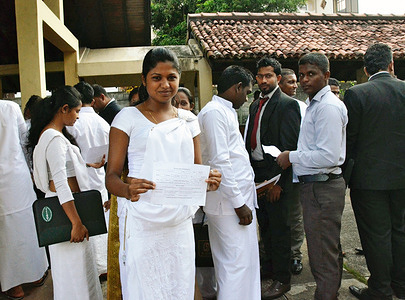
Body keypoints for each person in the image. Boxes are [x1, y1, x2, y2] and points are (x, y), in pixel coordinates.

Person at [105, 47, 221, 300]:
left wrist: (208, 181)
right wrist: (126, 190)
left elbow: (196, 171)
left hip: (178, 221)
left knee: (178, 282)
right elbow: (111, 176)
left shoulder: (189, 120)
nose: (165, 84)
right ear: (144, 80)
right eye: (156, 77)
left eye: (171, 77)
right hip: (141, 218)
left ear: (179, 78)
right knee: (145, 284)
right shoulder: (127, 118)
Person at [277, 52, 348, 300]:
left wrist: (291, 157)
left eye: (312, 74)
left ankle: (326, 295)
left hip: (322, 187)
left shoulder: (327, 107)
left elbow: (328, 156)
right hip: (315, 187)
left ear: (326, 76)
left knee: (321, 251)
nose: (305, 80)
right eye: (302, 75)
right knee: (323, 248)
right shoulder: (315, 105)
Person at [30, 86, 103, 300]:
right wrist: (76, 223)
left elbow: (62, 169)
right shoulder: (54, 139)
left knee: (72, 272)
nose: (78, 116)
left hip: (65, 206)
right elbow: (60, 183)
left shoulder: (50, 135)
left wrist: (88, 165)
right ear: (64, 109)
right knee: (76, 274)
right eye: (77, 111)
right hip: (67, 209)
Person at [344, 43, 405, 300]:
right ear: (391, 64)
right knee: (401, 231)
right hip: (402, 177)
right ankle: (401, 286)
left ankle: (380, 289)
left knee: (376, 235)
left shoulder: (357, 94)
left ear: (366, 69)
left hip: (369, 180)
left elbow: (350, 140)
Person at [198, 65, 260, 300]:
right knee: (234, 266)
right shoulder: (214, 112)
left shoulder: (225, 111)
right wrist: (238, 203)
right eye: (247, 92)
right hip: (228, 205)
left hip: (236, 200)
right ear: (237, 87)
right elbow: (219, 161)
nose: (247, 98)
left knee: (244, 263)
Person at [245, 57, 301, 299]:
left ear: (278, 78)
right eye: (260, 76)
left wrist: (279, 182)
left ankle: (283, 279)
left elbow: (291, 147)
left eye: (268, 76)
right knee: (265, 225)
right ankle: (269, 268)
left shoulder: (288, 105)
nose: (263, 80)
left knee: (280, 229)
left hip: (277, 175)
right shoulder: (254, 105)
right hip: (257, 173)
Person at [0, 100, 49, 300]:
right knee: (24, 227)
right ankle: (34, 275)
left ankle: (13, 286)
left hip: (13, 179)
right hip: (16, 177)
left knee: (6, 233)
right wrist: (32, 170)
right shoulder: (10, 107)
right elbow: (24, 141)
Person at [66, 81, 110, 277]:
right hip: (99, 176)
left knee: (84, 220)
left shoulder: (73, 123)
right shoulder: (103, 123)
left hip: (80, 178)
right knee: (101, 220)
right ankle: (105, 264)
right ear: (92, 100)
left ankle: (92, 266)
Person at [279, 68, 306, 275]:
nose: (295, 85)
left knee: (295, 216)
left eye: (296, 81)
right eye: (290, 82)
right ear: (280, 83)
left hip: (296, 170)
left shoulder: (302, 107)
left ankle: (295, 255)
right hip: (275, 170)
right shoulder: (268, 106)